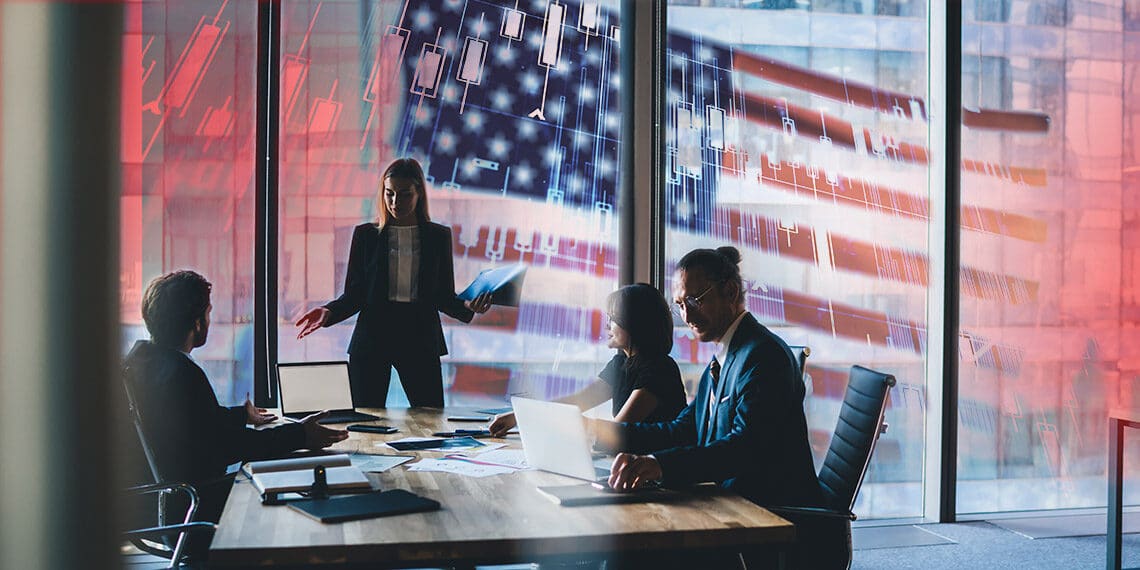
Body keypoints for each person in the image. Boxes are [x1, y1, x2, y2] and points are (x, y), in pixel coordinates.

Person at [597, 246, 848, 569]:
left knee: (629, 550)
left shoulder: (762, 357)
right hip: (732, 504)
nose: (686, 316)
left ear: (730, 291)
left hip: (766, 518)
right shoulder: (725, 358)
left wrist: (658, 465)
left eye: (695, 300)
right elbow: (684, 429)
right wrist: (604, 434)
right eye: (679, 305)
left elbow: (742, 450)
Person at [122, 270, 348, 530]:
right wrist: (300, 435)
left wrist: (241, 416)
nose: (210, 319)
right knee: (295, 477)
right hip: (191, 506)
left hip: (152, 505)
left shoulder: (141, 363)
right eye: (208, 313)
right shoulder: (182, 374)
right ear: (197, 323)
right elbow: (226, 445)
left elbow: (189, 422)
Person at [295, 158, 491, 408]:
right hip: (372, 340)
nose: (395, 202)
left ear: (419, 193)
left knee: (430, 421)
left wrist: (469, 306)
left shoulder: (437, 237)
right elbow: (355, 294)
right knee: (364, 422)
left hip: (420, 340)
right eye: (389, 194)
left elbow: (442, 296)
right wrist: (328, 311)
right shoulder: (366, 235)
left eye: (405, 194)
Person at [487, 283, 686, 437]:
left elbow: (618, 432)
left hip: (651, 473)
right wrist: (518, 417)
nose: (607, 326)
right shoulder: (620, 363)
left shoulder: (660, 369)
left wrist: (570, 425)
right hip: (628, 464)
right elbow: (578, 401)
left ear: (635, 323)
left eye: (613, 318)